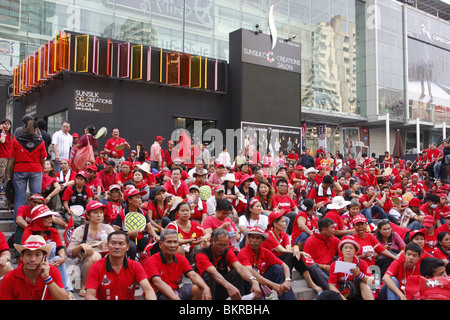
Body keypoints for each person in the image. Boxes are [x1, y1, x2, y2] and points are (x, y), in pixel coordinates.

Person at [85, 230, 156, 300]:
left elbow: (148, 290)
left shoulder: (135, 266)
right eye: (113, 243)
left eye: (121, 243)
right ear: (107, 245)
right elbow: (89, 296)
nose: (116, 247)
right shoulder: (96, 267)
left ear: (127, 247)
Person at [21, 204, 74, 298]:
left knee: (58, 258)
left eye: (51, 216)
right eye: (47, 216)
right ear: (38, 219)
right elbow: (27, 254)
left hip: (50, 262)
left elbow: (59, 248)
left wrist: (62, 257)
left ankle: (68, 291)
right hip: (32, 264)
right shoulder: (28, 232)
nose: (51, 218)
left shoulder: (53, 231)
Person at [263, 210, 322, 294]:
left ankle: (310, 283)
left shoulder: (284, 235)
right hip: (270, 265)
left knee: (293, 255)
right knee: (291, 255)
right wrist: (299, 252)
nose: (285, 224)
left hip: (281, 261)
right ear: (275, 224)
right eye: (283, 222)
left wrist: (296, 248)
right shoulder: (268, 235)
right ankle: (287, 282)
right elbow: (282, 250)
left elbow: (288, 248)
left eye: (285, 221)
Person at [144, 228, 212, 300]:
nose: (173, 245)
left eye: (175, 242)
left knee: (198, 289)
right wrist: (175, 298)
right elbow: (157, 282)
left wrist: (206, 288)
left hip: (176, 292)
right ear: (160, 245)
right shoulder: (152, 260)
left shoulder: (180, 258)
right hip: (158, 294)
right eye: (169, 242)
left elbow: (193, 275)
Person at [195, 228, 261, 300]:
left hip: (222, 286)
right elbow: (213, 273)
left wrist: (253, 280)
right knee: (208, 276)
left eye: (225, 245)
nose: (222, 248)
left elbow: (239, 267)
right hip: (206, 289)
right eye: (220, 245)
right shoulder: (201, 255)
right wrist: (229, 287)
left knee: (237, 272)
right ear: (211, 241)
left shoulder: (227, 252)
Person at [67, 200, 115, 297]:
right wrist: (81, 246)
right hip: (87, 264)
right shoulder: (80, 230)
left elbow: (117, 246)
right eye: (95, 212)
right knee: (95, 256)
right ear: (88, 216)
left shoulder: (108, 228)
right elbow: (69, 253)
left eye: (101, 212)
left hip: (106, 261)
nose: (99, 215)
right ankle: (84, 286)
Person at [0, 235, 68, 300]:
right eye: (28, 254)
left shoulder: (52, 271)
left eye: (37, 255)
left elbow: (64, 299)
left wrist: (48, 279)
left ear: (44, 258)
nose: (32, 259)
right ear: (21, 256)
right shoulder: (9, 278)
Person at [237, 225, 296, 300]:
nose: (254, 240)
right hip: (248, 285)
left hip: (262, 281)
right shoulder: (243, 252)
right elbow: (250, 272)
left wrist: (287, 280)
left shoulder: (265, 252)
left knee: (278, 268)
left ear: (263, 240)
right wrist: (273, 284)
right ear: (248, 238)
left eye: (257, 238)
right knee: (253, 273)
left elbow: (284, 265)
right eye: (252, 237)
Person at [10, 118, 47, 225]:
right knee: (36, 199)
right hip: (36, 170)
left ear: (24, 128)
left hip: (19, 169)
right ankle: (35, 224)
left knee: (19, 199)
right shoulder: (40, 142)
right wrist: (42, 170)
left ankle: (18, 226)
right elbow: (43, 159)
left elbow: (12, 158)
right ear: (36, 129)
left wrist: (11, 173)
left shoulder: (16, 140)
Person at [113, 187, 159, 260]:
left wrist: (155, 235)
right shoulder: (121, 214)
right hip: (127, 239)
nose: (140, 200)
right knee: (131, 246)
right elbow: (115, 233)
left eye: (140, 198)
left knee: (157, 243)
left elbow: (149, 228)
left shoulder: (143, 212)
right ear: (130, 200)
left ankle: (151, 263)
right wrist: (129, 234)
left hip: (140, 239)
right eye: (137, 198)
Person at [303, 217, 341, 290]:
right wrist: (324, 266)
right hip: (318, 270)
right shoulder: (311, 240)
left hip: (330, 267)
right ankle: (333, 289)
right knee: (312, 266)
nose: (334, 230)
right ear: (323, 229)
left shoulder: (334, 239)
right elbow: (307, 263)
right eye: (332, 228)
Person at [0, 118, 13, 190]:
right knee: (1, 174)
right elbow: (2, 141)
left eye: (8, 124)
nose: (7, 126)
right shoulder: (2, 134)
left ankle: (6, 189)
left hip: (10, 157)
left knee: (8, 175)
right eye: (5, 124)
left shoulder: (11, 135)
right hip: (2, 157)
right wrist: (2, 131)